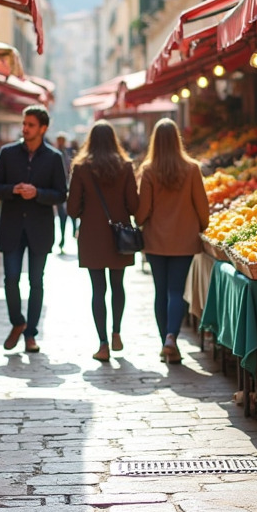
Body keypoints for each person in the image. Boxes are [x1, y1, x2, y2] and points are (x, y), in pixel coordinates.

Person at [0, 105, 67, 353]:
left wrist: (38, 193)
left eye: (30, 125)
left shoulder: (54, 157)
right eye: (24, 124)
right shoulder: (7, 153)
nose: (25, 128)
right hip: (12, 227)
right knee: (10, 279)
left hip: (39, 229)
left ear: (43, 128)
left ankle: (31, 334)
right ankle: (17, 322)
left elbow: (61, 194)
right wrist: (11, 189)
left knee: (36, 282)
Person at [134, 118, 209, 364]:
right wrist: (201, 227)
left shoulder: (148, 170)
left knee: (161, 291)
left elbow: (142, 212)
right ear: (177, 140)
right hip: (184, 240)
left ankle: (164, 341)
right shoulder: (192, 168)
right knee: (177, 291)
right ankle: (171, 338)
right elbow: (203, 208)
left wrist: (140, 221)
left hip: (155, 240)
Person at [66, 121, 139, 362]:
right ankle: (116, 332)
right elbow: (134, 205)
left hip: (92, 236)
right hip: (119, 237)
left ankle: (103, 344)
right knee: (118, 286)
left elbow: (72, 209)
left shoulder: (81, 168)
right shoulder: (126, 167)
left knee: (98, 290)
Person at [54, 132, 75, 252]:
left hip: (68, 186)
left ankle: (72, 232)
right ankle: (62, 239)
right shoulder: (54, 153)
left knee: (69, 212)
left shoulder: (67, 152)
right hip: (60, 188)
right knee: (62, 215)